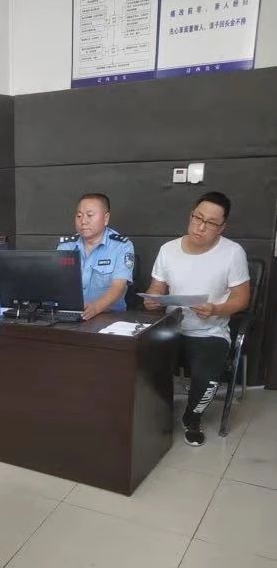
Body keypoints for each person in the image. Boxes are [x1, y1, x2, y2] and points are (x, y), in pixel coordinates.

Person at [144, 192, 250, 447]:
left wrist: (215, 309)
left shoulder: (232, 253)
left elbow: (242, 299)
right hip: (171, 328)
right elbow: (156, 288)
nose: (200, 227)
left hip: (209, 332)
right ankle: (152, 415)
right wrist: (152, 299)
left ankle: (192, 418)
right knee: (139, 363)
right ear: (190, 215)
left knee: (206, 378)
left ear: (221, 227)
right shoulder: (168, 250)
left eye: (210, 223)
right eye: (197, 218)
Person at [57, 193, 135, 320]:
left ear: (106, 218)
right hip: (71, 315)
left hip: (110, 317)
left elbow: (118, 286)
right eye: (79, 216)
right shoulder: (66, 246)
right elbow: (57, 284)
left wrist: (96, 308)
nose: (83, 221)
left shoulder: (122, 246)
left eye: (90, 215)